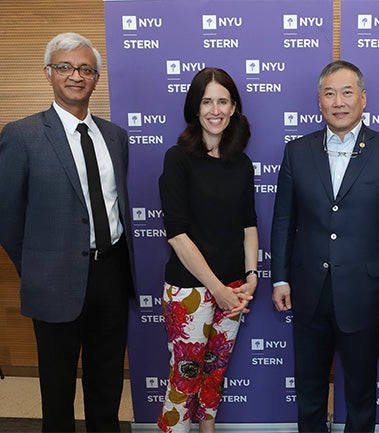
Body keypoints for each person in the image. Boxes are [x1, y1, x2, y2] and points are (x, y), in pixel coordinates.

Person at [0, 32, 134, 432]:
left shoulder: (115, 137)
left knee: (106, 382)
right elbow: (4, 216)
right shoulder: (22, 135)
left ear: (96, 79)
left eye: (86, 69)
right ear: (49, 73)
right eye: (66, 67)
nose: (76, 75)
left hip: (112, 272)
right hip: (53, 280)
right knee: (57, 389)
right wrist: (36, 267)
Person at [271, 60, 379, 432]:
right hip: (308, 291)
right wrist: (280, 279)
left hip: (366, 293)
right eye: (329, 93)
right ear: (319, 101)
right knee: (309, 387)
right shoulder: (297, 151)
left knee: (361, 391)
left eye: (347, 92)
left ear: (363, 98)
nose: (339, 101)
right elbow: (284, 221)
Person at [157, 67, 258, 433]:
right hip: (191, 290)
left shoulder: (241, 164)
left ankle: (208, 429)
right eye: (207, 101)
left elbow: (249, 225)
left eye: (223, 101)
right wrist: (216, 288)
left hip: (234, 289)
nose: (215, 109)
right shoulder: (178, 159)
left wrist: (251, 277)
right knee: (184, 380)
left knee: (215, 373)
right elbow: (178, 235)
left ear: (233, 108)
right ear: (195, 108)